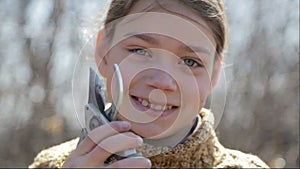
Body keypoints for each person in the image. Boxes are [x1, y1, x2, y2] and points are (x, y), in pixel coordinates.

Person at [29, 0, 269, 168]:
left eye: (190, 61)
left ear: (214, 74)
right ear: (103, 51)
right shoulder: (50, 164)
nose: (162, 81)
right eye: (140, 50)